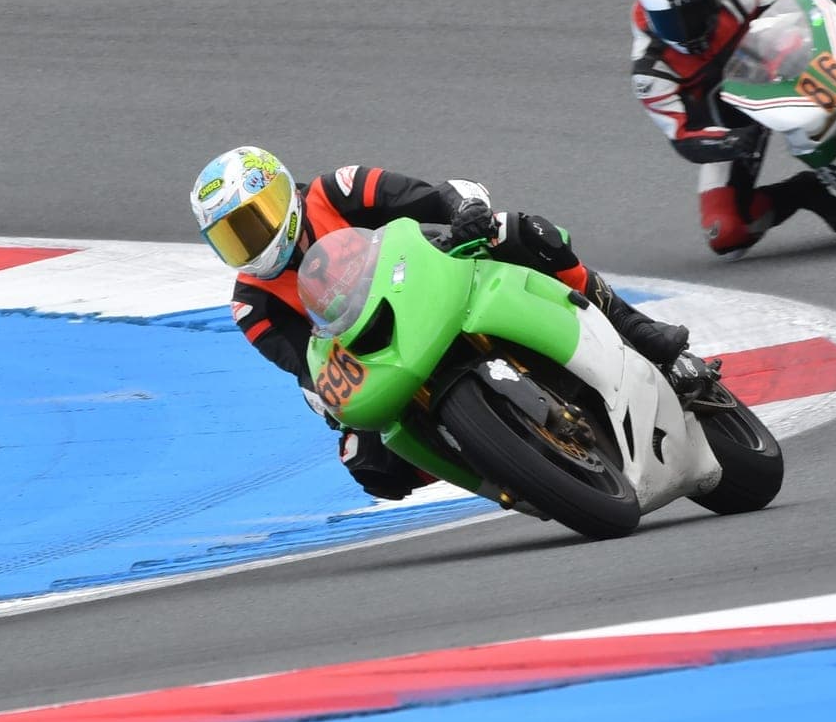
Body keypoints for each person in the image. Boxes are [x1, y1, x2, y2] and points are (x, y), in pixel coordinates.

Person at [190, 146, 711, 499]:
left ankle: (634, 327)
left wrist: (464, 211)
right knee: (368, 464)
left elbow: (432, 197)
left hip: (432, 276)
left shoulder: (336, 191)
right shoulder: (251, 305)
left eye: (255, 220)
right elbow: (306, 365)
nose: (251, 242)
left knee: (522, 231)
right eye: (233, 237)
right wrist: (329, 398)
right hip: (380, 352)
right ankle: (500, 463)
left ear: (281, 193)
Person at [631, 0, 836, 260]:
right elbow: (682, 136)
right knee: (724, 232)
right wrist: (730, 142)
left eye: (696, 11)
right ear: (651, 18)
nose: (687, 29)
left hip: (778, 68)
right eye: (671, 22)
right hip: (731, 123)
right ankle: (804, 190)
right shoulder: (649, 71)